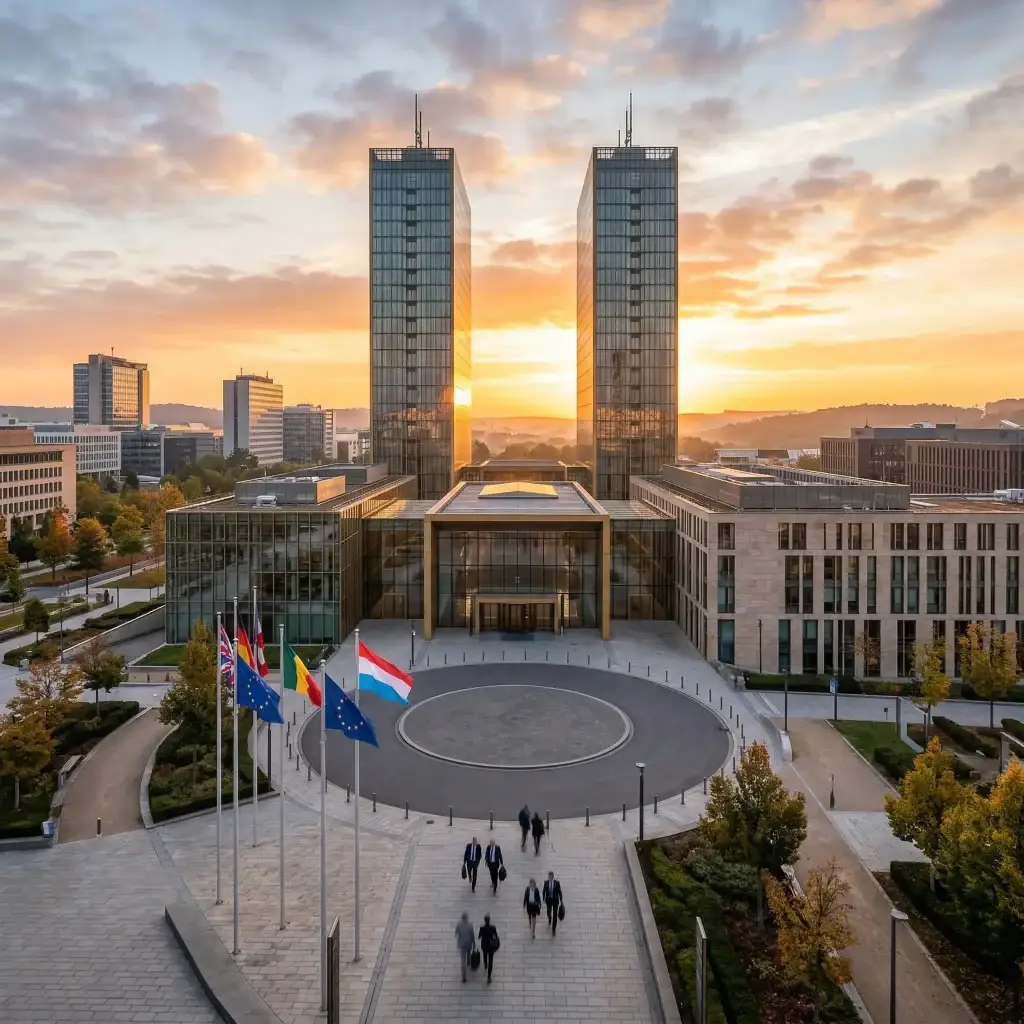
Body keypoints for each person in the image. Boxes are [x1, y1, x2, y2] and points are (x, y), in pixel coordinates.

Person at [477, 914, 500, 983]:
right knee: (491, 960)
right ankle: (489, 977)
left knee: (484, 955)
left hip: (484, 945)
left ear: (484, 920)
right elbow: (496, 935)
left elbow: (479, 937)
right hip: (491, 946)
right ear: (489, 920)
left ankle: (485, 965)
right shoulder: (493, 928)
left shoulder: (482, 928)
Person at [454, 912, 475, 983]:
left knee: (463, 959)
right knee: (469, 952)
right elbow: (472, 935)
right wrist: (474, 942)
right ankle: (468, 961)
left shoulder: (459, 924)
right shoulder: (470, 925)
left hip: (462, 944)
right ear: (467, 918)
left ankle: (464, 977)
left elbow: (456, 933)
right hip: (469, 943)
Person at [542, 871, 563, 936]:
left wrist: (561, 900)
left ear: (553, 876)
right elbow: (544, 891)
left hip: (555, 901)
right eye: (549, 876)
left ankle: (554, 929)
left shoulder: (557, 883)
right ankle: (549, 918)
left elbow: (560, 892)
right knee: (548, 912)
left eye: (551, 876)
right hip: (548, 900)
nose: (550, 877)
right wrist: (543, 899)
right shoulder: (546, 883)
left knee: (555, 915)